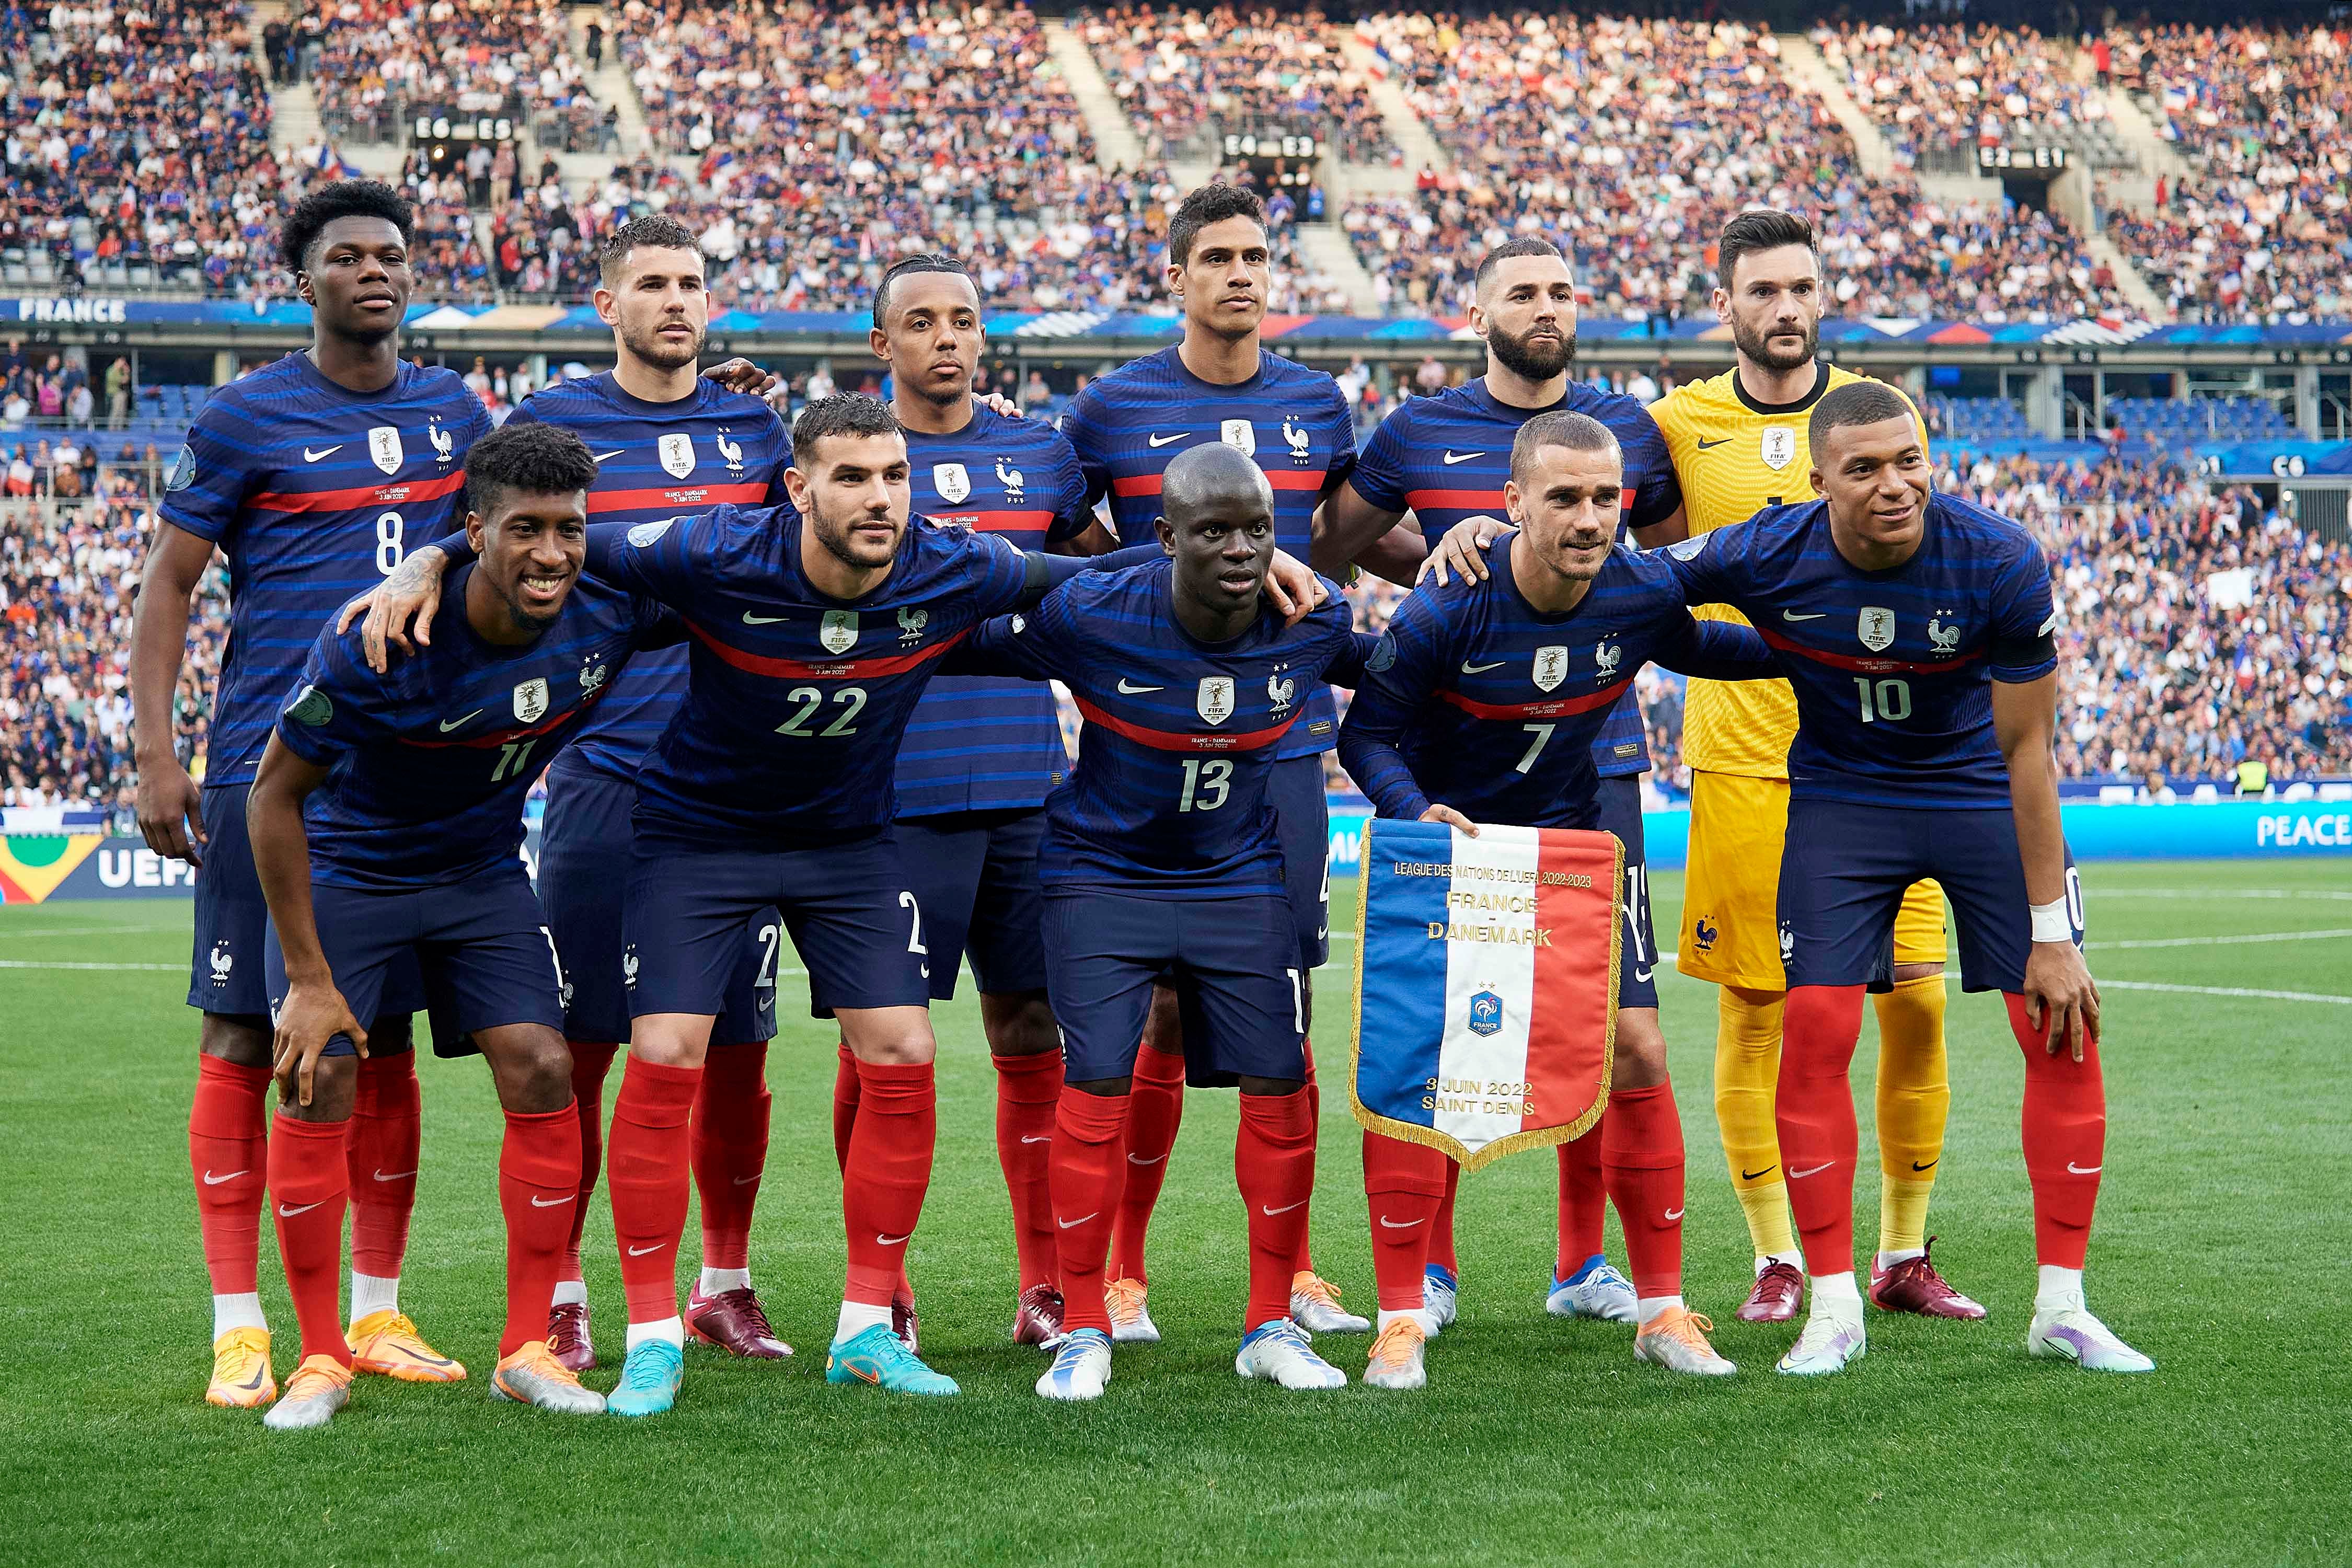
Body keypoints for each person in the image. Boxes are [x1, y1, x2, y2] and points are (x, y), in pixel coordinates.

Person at [352, 394, 1325, 1411]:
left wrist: (1262, 567)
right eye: (852, 477)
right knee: (669, 1051)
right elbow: (557, 547)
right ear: (798, 488)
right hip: (703, 836)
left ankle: (866, 1326)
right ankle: (652, 1337)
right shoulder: (716, 551)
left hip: (850, 843)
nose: (879, 497)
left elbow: (1091, 574)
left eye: (894, 476)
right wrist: (428, 562)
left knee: (903, 1048)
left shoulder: (950, 563)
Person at [1427, 209, 1978, 1325]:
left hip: (1891, 759)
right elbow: (1622, 563)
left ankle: (1906, 1253)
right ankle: (1777, 1259)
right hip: (1746, 760)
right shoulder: (1670, 427)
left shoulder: (1879, 421)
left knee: (1917, 1008)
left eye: (1804, 288)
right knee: (1757, 1012)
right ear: (1725, 306)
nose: (1786, 309)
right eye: (1763, 291)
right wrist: (1488, 539)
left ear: (1824, 299)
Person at [1656, 379, 2149, 1377]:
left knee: (2059, 1022)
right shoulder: (1764, 548)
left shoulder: (2000, 557)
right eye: (1865, 469)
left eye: (1909, 461)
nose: (1895, 486)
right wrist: (1500, 549)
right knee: (1818, 1032)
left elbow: (2030, 754)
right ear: (1817, 477)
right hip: (1844, 803)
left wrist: (2051, 930)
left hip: (1976, 796)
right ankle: (1834, 1308)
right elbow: (1634, 586)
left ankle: (2063, 1304)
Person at [131, 180, 490, 1410]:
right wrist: (156, 755)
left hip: (412, 776)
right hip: (264, 767)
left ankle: (379, 1309)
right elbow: (170, 586)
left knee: (380, 1042)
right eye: (348, 256)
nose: (375, 271)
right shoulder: (243, 416)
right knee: (244, 1032)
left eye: (393, 253)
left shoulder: (457, 409)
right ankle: (242, 1327)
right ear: (308, 280)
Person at [1337, 410, 1775, 1389]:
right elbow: (1366, 735)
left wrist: (1819, 655)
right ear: (1512, 504)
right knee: (1422, 1068)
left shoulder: (1633, 587)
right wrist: (1418, 808)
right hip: (1455, 853)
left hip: (1576, 853)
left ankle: (1661, 1309)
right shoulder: (1449, 605)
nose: (1590, 518)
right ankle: (1402, 1316)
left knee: (1639, 1046)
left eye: (1606, 498)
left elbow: (1705, 647)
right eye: (1565, 497)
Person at [244, 423, 650, 1428]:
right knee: (324, 1068)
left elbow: (740, 571)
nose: (551, 553)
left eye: (569, 530)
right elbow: (271, 799)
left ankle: (525, 1349)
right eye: (525, 530)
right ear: (473, 531)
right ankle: (322, 1359)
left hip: (479, 876)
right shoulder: (378, 640)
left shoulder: (609, 612)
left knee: (544, 1065)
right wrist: (307, 976)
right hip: (353, 873)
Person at [1318, 236, 1688, 1331]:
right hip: (1456, 757)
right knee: (1440, 1028)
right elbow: (1336, 544)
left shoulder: (1630, 428)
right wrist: (1448, 562)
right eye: (1520, 292)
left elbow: (1664, 567)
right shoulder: (1419, 429)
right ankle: (1428, 1271)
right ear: (1475, 314)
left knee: (1605, 1025)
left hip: (1596, 758)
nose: (1544, 307)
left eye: (1562, 290)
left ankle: (1585, 1266)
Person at [952, 442, 1367, 1400]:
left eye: (1258, 530)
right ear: (1164, 536)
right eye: (1213, 530)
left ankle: (1268, 1324)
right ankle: (1086, 1326)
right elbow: (956, 633)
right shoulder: (1093, 613)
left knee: (1281, 1084)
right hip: (1103, 878)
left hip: (1239, 879)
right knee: (1095, 1083)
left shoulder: (1314, 621)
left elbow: (1405, 680)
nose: (1239, 550)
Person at [1058, 182, 1368, 1342]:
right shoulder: (1111, 407)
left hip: (1281, 747)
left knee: (1277, 1012)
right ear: (1175, 276)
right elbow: (1068, 537)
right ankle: (1123, 1271)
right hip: (1147, 749)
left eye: (1257, 256)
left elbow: (1338, 533)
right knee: (1153, 1010)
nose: (1242, 274)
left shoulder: (1314, 401)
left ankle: (1286, 1278)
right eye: (1219, 258)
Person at [503, 214, 794, 1370]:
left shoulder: (753, 425)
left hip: (737, 780)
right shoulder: (553, 424)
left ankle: (725, 1281)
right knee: (583, 1045)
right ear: (606, 305)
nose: (676, 302)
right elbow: (486, 543)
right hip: (603, 774)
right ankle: (567, 1287)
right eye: (652, 285)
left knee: (737, 1046)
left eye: (692, 284)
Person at [861, 252, 1114, 1351]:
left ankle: (1046, 1285)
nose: (946, 339)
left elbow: (1108, 580)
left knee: (1034, 1026)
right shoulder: (855, 458)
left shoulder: (1039, 455)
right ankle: (882, 1288)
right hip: (890, 790)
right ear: (884, 347)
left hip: (1025, 785)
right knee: (886, 1043)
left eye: (962, 320)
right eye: (920, 323)